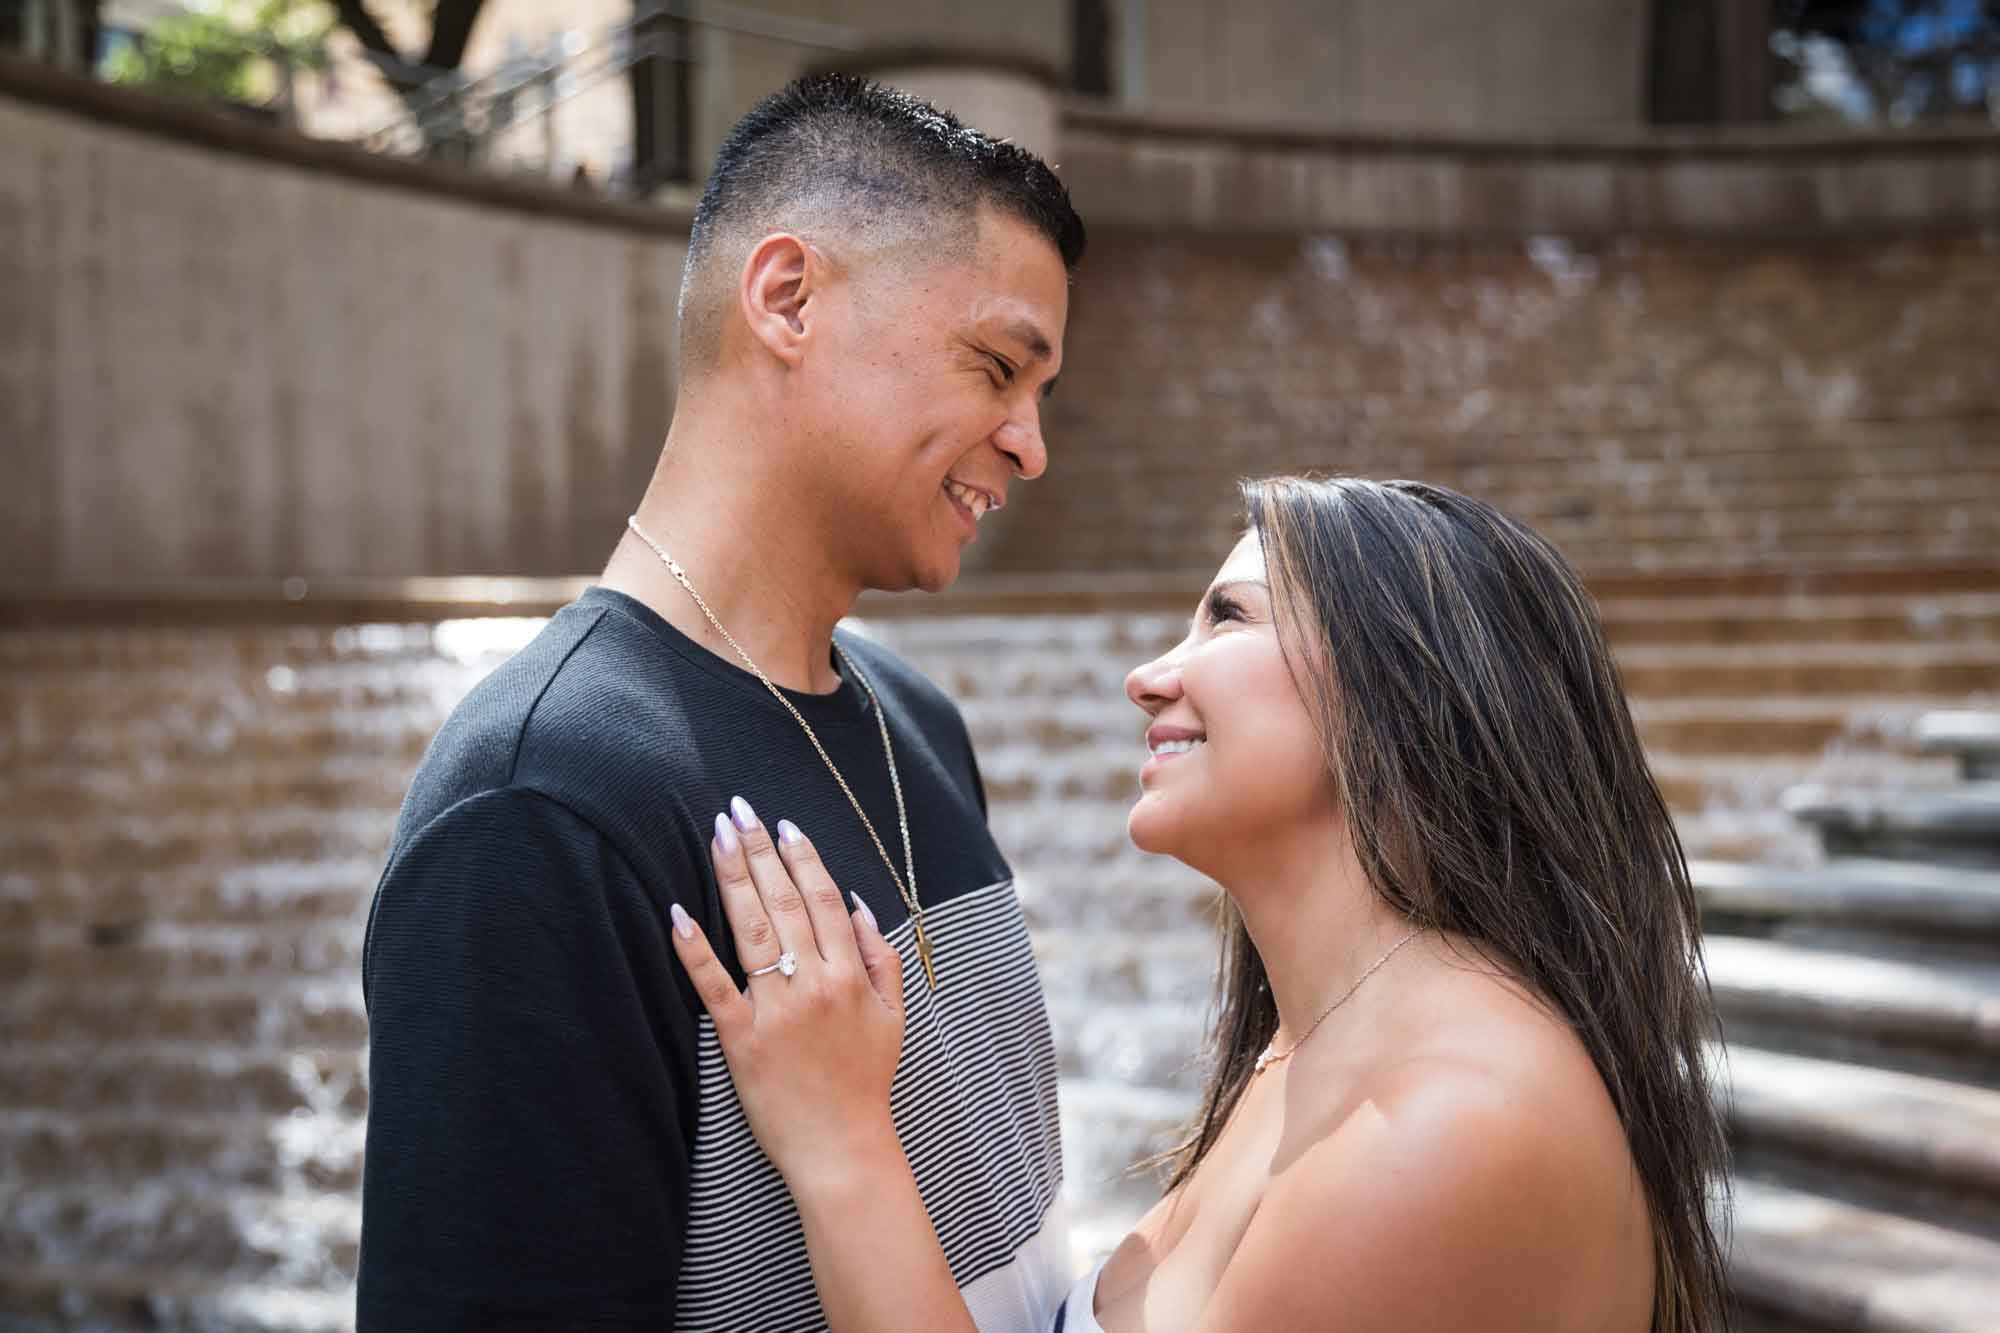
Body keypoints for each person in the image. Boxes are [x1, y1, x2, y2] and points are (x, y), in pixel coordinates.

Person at [356, 75, 1084, 1330]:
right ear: (786, 298)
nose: (1029, 444)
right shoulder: (539, 805)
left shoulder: (918, 722)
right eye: (994, 367)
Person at [669, 476, 1734, 1332]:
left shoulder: (1439, 1131)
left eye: (1225, 618)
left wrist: (841, 1143)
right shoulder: (1315, 1048)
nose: (1146, 675)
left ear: (1398, 694)